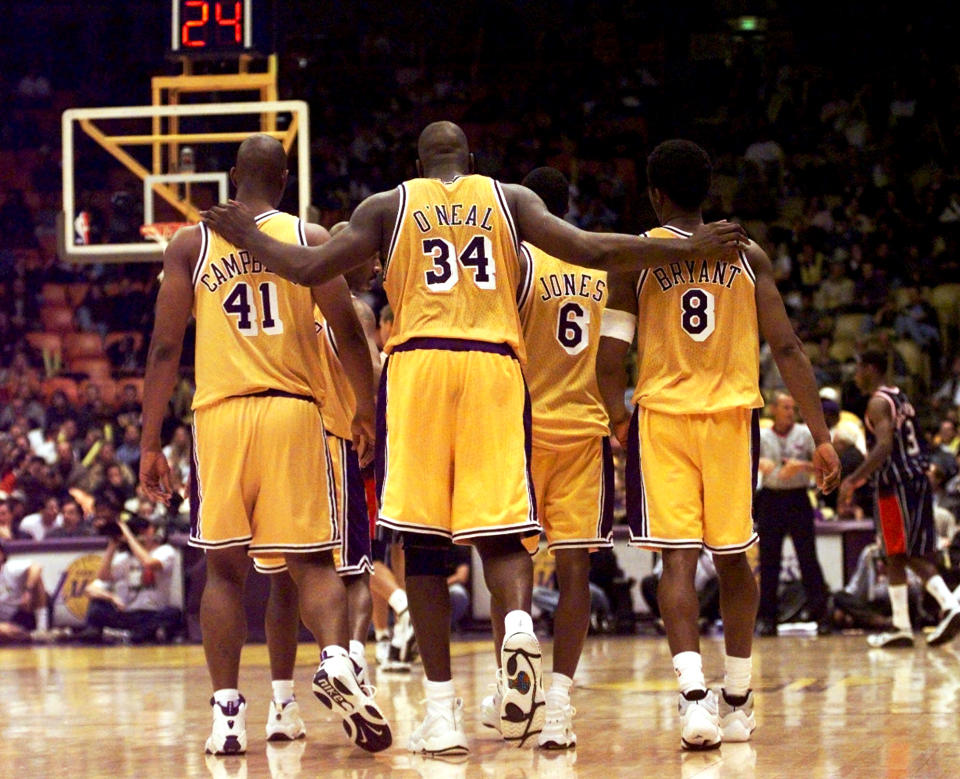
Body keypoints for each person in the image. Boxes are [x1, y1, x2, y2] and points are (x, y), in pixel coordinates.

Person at [202, 121, 745, 754]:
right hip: (493, 367)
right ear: (470, 160)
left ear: (418, 163)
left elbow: (306, 266)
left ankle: (442, 714)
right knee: (503, 531)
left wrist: (244, 233)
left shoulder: (387, 205)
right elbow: (593, 249)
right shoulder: (509, 199)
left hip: (420, 368)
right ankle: (516, 624)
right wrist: (684, 248)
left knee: (424, 548)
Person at [139, 134, 389, 757]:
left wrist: (149, 443)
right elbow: (348, 332)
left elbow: (165, 348)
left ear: (231, 177)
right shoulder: (308, 239)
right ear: (283, 182)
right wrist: (364, 410)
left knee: (223, 571)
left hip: (221, 419)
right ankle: (334, 659)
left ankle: (227, 716)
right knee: (310, 566)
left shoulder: (192, 244)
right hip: (294, 414)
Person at [596, 139, 841, 751]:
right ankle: (737, 696)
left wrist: (615, 420)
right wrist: (822, 435)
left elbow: (610, 357)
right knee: (735, 559)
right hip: (733, 421)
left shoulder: (636, 258)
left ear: (655, 195)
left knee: (676, 562)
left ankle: (692, 698)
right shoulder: (747, 255)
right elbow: (788, 350)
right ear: (707, 193)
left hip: (664, 420)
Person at [480, 166, 615, 750]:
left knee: (509, 562)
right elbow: (612, 364)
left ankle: (516, 694)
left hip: (523, 426)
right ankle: (559, 702)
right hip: (585, 427)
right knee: (576, 570)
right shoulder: (595, 268)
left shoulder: (520, 265)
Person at [252, 220, 382, 744]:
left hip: (280, 438)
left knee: (283, 581)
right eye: (364, 253)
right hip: (335, 443)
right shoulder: (355, 310)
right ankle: (350, 666)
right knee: (353, 572)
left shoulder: (292, 297)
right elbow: (369, 370)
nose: (372, 262)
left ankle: (281, 706)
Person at [838, 350, 960, 648]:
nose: (855, 375)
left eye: (858, 368)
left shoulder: (878, 402)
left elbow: (883, 446)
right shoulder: (900, 397)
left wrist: (854, 479)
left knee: (904, 552)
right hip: (916, 479)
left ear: (870, 368)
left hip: (896, 483)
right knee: (896, 553)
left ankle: (949, 605)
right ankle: (901, 626)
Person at [754, 392, 831, 635]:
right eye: (785, 407)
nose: (790, 411)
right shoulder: (762, 435)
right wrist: (757, 464)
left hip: (798, 498)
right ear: (773, 410)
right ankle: (767, 619)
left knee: (808, 559)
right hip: (770, 500)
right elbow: (746, 460)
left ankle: (822, 616)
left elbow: (822, 465)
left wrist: (804, 467)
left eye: (792, 407)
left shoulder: (804, 434)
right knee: (769, 562)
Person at [83, 516, 181, 644]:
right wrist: (113, 544)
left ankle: (128, 634)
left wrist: (129, 537)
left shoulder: (165, 551)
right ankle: (135, 635)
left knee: (173, 613)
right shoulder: (125, 557)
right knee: (97, 606)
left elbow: (149, 563)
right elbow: (102, 576)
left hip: (152, 613)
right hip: (129, 613)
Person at [0, 541, 48, 642]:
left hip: (24, 611)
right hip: (4, 621)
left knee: (36, 579)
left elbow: (36, 567)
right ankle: (34, 637)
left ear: (2, 555)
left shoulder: (11, 567)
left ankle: (42, 629)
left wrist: (28, 591)